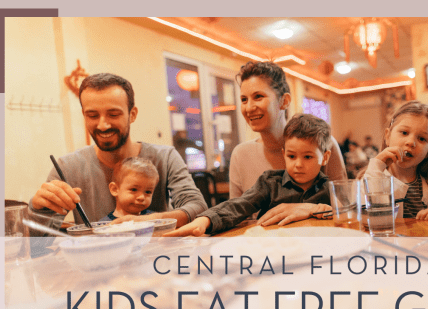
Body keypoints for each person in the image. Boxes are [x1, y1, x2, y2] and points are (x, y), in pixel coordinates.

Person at [30, 73, 207, 229]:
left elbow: (197, 207)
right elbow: (39, 243)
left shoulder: (165, 157)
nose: (103, 125)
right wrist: (37, 211)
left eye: (113, 114)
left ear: (132, 114)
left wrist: (147, 222)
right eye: (92, 115)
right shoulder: (67, 167)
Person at [164, 114, 333, 236]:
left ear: (325, 157)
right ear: (284, 154)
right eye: (291, 156)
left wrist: (329, 210)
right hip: (272, 251)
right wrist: (205, 220)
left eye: (308, 157)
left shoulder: (329, 188)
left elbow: (350, 212)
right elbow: (239, 205)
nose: (298, 164)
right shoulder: (270, 182)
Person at [229, 61, 347, 201]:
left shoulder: (323, 143)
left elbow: (345, 206)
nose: (249, 108)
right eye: (244, 99)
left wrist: (307, 210)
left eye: (258, 97)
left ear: (284, 101)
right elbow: (236, 214)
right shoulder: (240, 154)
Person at [363, 101, 428, 220]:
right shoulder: (373, 176)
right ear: (387, 137)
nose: (411, 142)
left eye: (422, 139)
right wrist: (377, 166)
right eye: (404, 133)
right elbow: (366, 211)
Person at [99, 157, 158, 222]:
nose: (141, 197)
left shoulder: (155, 219)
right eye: (134, 189)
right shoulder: (104, 225)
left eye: (148, 192)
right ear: (114, 189)